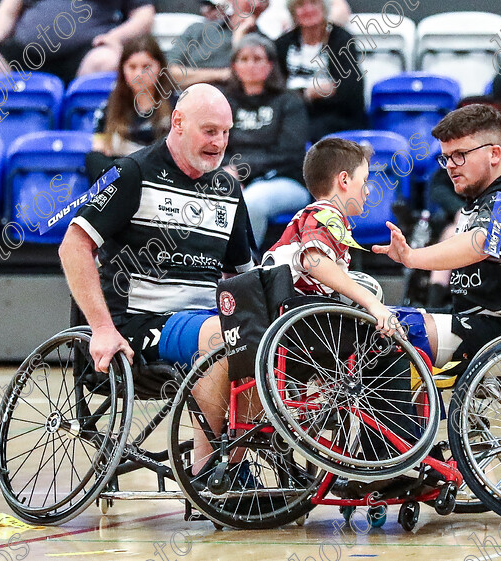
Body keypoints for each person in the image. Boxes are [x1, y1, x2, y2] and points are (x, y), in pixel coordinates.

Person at [188, 137, 401, 476]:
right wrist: (374, 305)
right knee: (388, 339)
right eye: (364, 180)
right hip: (298, 331)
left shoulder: (311, 216)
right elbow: (316, 262)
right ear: (344, 181)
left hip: (278, 327)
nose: (368, 190)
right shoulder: (327, 215)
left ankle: (230, 468)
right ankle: (388, 457)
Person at [59, 84, 254, 383]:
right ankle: (218, 433)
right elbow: (73, 247)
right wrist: (101, 329)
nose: (219, 143)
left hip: (205, 320)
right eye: (210, 131)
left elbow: (241, 277)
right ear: (178, 122)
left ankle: (245, 432)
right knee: (225, 338)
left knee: (259, 337)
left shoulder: (227, 191)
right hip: (139, 324)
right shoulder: (133, 172)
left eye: (226, 132)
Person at [373, 104, 501, 366]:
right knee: (377, 321)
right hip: (476, 321)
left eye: (460, 155)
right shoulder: (484, 198)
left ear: (495, 154)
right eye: (446, 157)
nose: (450, 166)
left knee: (392, 333)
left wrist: (411, 257)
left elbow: (479, 244)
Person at [422, 69, 501, 307]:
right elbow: (438, 185)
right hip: (473, 214)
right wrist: (461, 210)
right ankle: (436, 303)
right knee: (458, 230)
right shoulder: (479, 137)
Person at [0, 0, 155, 126]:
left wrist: (116, 36)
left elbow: (144, 16)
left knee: (109, 62)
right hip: (24, 54)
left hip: (87, 53)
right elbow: (8, 9)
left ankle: (85, 143)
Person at [221, 34, 309, 249]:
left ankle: (243, 271)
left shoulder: (288, 102)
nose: (250, 65)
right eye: (244, 59)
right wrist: (226, 171)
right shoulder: (225, 102)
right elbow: (215, 144)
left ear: (270, 64)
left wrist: (241, 170)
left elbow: (289, 153)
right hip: (233, 177)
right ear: (234, 66)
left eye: (257, 59)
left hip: (284, 180)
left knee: (252, 201)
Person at [274, 0, 367, 141]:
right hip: (292, 112)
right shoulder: (283, 43)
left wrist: (306, 94)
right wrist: (316, 91)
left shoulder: (342, 40)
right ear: (293, 12)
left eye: (314, 3)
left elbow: (352, 92)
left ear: (324, 8)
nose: (308, 9)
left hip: (336, 116)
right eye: (300, 5)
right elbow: (275, 88)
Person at [91, 35, 177, 158]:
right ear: (122, 69)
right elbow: (98, 149)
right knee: (93, 158)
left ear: (160, 68)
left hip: (157, 172)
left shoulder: (176, 106)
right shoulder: (108, 107)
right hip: (121, 172)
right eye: (132, 67)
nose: (139, 74)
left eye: (146, 67)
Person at [167, 0, 269, 88]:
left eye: (264, 0)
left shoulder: (267, 45)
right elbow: (169, 73)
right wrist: (222, 74)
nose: (257, 4)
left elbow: (245, 81)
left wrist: (238, 38)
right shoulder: (197, 30)